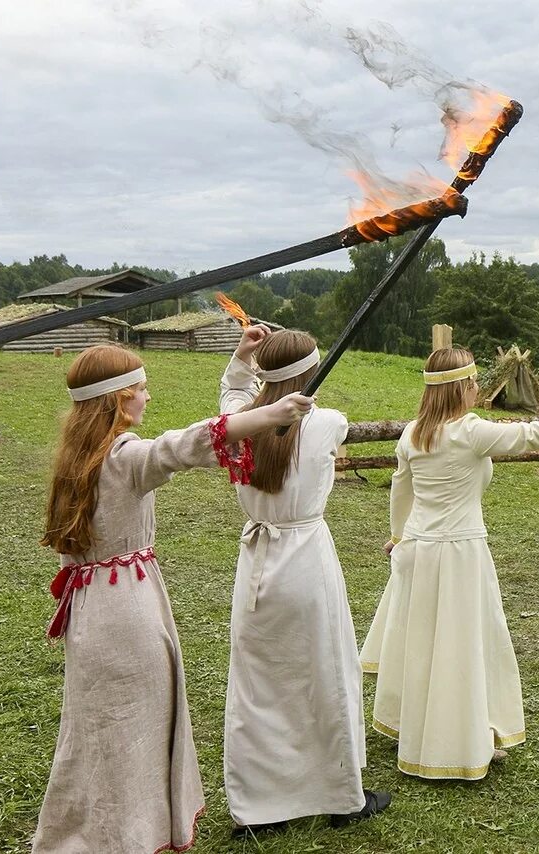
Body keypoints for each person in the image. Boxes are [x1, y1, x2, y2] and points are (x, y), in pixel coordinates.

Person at [33, 344, 311, 853]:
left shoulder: (77, 457)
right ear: (116, 401)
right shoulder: (123, 458)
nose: (147, 396)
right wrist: (271, 412)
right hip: (127, 616)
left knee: (99, 735)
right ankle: (126, 840)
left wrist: (242, 373)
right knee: (130, 738)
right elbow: (181, 446)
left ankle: (90, 837)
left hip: (89, 613)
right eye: (139, 388)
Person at [368, 348, 539, 779]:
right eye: (471, 383)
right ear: (459, 388)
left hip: (419, 551)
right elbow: (535, 435)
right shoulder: (470, 432)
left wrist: (397, 537)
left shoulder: (412, 433)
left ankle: (431, 727)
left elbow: (401, 490)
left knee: (429, 642)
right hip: (460, 553)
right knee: (463, 643)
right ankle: (458, 740)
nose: (476, 389)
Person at [218, 327, 390, 837]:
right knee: (327, 673)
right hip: (306, 559)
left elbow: (234, 397)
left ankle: (259, 808)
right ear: (309, 373)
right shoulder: (329, 422)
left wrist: (241, 361)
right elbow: (302, 416)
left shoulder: (236, 423)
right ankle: (342, 799)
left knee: (258, 685)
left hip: (259, 561)